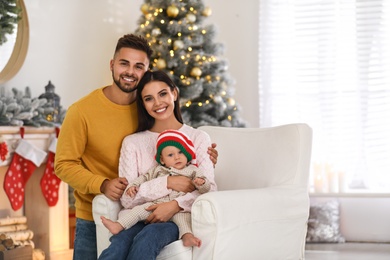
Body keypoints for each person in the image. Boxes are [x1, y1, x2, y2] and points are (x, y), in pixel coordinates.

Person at [54, 34, 218, 260]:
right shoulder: (81, 111)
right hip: (98, 211)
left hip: (151, 211)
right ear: (112, 65)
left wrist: (205, 157)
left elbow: (183, 150)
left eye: (138, 66)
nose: (130, 72)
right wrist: (101, 184)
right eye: (124, 63)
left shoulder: (149, 110)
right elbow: (62, 164)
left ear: (146, 70)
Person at [98, 70, 217, 259]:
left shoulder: (198, 138)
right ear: (143, 104)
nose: (158, 103)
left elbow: (209, 191)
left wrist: (174, 205)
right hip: (137, 216)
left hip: (175, 220)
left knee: (148, 237)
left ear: (174, 94)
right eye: (149, 98)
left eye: (163, 94)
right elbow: (128, 199)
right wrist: (167, 183)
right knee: (117, 247)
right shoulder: (132, 142)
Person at [101, 129, 211, 247]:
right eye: (170, 155)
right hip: (155, 205)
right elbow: (143, 178)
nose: (177, 157)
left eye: (180, 152)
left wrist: (201, 183)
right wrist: (133, 186)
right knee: (137, 211)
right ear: (162, 160)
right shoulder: (158, 170)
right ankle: (118, 226)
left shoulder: (193, 170)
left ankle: (187, 237)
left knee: (184, 221)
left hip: (180, 208)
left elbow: (207, 189)